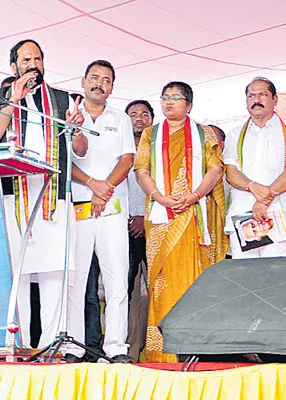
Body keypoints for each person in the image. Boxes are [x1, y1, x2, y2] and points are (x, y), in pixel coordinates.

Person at [0, 39, 87, 349]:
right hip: (16, 197)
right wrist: (12, 100)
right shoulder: (1, 98)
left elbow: (80, 150)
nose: (33, 64)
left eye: (38, 58)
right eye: (26, 59)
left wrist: (76, 129)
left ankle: (53, 344)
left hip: (54, 197)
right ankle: (21, 344)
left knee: (55, 272)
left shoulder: (63, 99)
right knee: (19, 275)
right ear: (13, 67)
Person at [135, 81, 227, 363]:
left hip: (195, 214)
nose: (169, 102)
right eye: (165, 97)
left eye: (176, 98)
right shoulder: (150, 134)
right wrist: (159, 197)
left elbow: (216, 168)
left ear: (189, 104)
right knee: (162, 280)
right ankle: (161, 352)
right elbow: (142, 169)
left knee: (195, 279)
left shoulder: (205, 134)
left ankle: (197, 347)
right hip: (161, 216)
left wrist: (196, 194)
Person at [67, 60, 135, 363]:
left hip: (113, 207)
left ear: (112, 87)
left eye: (106, 80)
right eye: (94, 78)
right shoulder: (69, 118)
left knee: (117, 281)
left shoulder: (120, 119)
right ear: (83, 81)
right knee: (76, 281)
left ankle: (117, 348)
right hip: (79, 207)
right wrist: (93, 184)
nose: (99, 84)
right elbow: (65, 162)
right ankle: (73, 346)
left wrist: (105, 187)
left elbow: (127, 159)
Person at [224, 77, 286, 259]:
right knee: (244, 276)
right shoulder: (234, 134)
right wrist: (253, 187)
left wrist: (263, 201)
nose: (257, 100)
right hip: (243, 216)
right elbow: (231, 172)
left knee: (278, 275)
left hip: (279, 214)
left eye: (263, 94)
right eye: (251, 96)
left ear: (275, 99)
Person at [125, 99, 154, 360]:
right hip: (122, 229)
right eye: (133, 114)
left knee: (157, 289)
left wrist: (144, 218)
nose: (139, 118)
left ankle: (157, 349)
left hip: (154, 226)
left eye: (145, 114)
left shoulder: (160, 151)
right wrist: (129, 219)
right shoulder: (119, 150)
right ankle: (128, 350)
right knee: (125, 293)